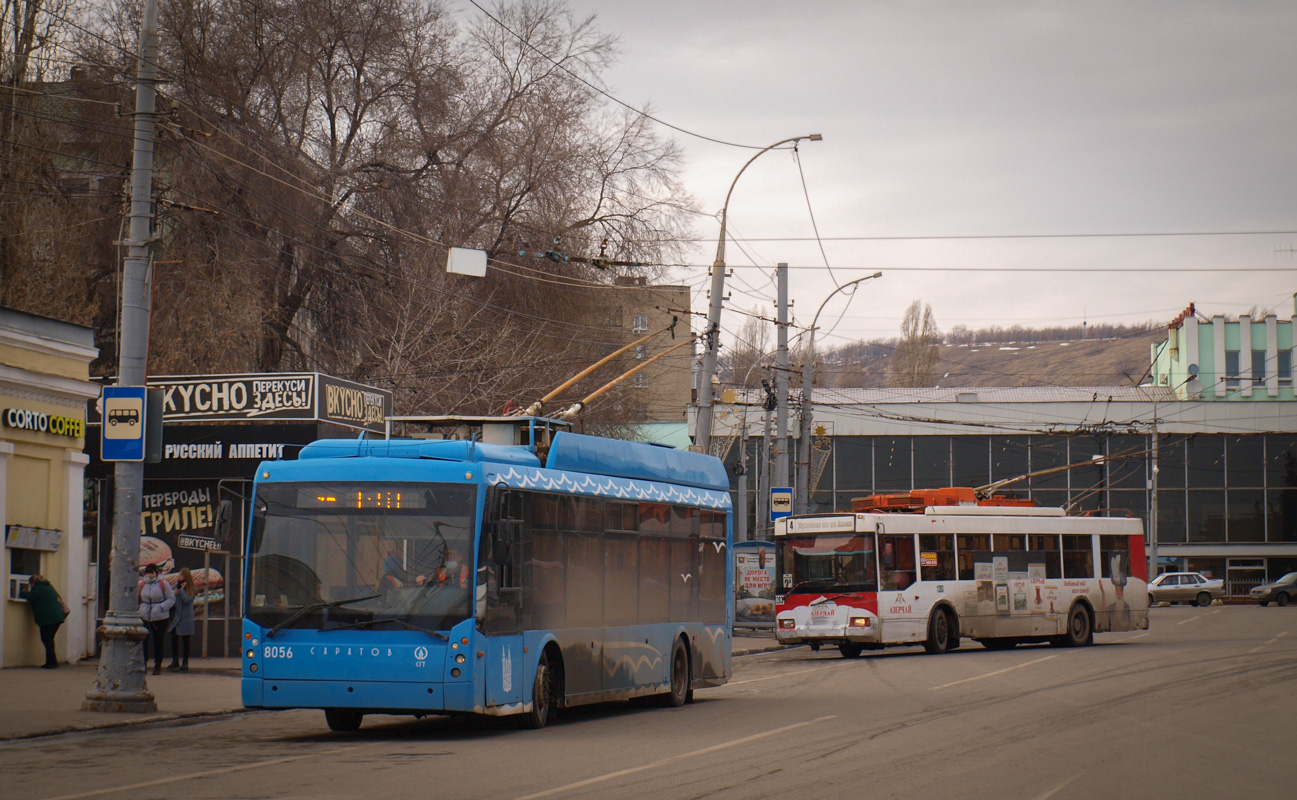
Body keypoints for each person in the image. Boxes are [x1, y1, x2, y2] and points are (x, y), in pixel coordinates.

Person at [19, 574, 66, 669]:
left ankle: (51, 663)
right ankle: (52, 662)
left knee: (47, 640)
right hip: (57, 618)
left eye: (30, 584)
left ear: (33, 582)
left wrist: (22, 592)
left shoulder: (38, 588)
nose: (30, 586)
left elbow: (30, 596)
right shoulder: (48, 586)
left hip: (48, 619)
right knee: (49, 640)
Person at [138, 563, 175, 675]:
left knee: (158, 641)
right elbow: (137, 598)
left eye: (152, 573)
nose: (150, 575)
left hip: (160, 617)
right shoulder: (142, 584)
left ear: (156, 573)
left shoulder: (163, 584)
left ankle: (157, 665)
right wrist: (140, 608)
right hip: (145, 615)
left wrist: (161, 607)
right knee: (144, 641)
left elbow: (171, 599)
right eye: (148, 573)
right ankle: (143, 664)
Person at [168, 568, 197, 672]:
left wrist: (180, 592)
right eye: (179, 575)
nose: (179, 577)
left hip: (186, 618)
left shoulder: (192, 589)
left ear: (186, 577)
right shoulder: (176, 586)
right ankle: (175, 660)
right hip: (176, 617)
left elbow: (187, 600)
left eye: (181, 575)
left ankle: (185, 662)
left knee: (185, 640)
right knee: (174, 638)